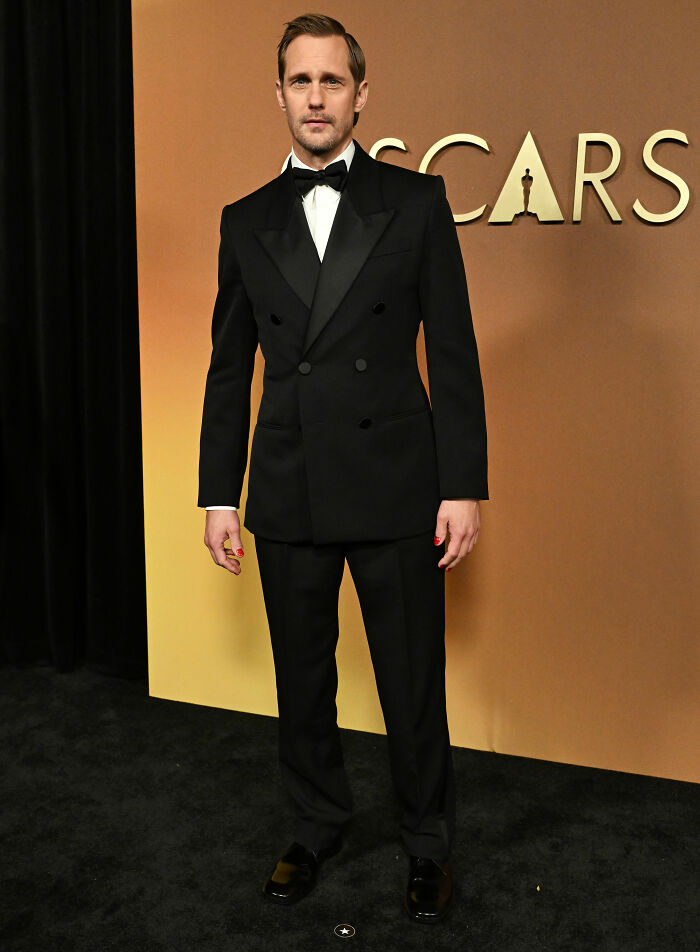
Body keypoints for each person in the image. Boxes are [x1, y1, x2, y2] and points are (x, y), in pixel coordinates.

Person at [197, 13, 488, 923]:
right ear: (277, 92)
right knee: (302, 676)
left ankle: (427, 843)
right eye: (300, 81)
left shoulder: (417, 201)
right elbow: (226, 366)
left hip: (398, 480)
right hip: (289, 483)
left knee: (411, 678)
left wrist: (463, 482)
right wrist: (218, 493)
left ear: (362, 95)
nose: (315, 98)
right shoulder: (243, 221)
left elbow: (453, 350)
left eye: (332, 81)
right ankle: (315, 823)